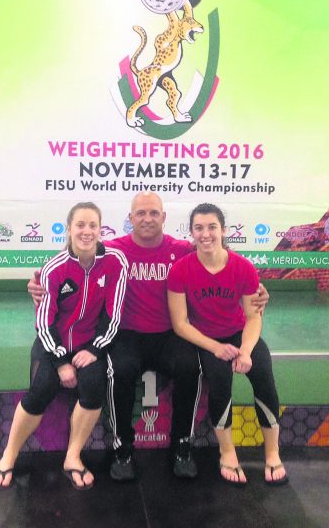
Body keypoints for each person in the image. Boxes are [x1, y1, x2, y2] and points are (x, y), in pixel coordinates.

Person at [29, 192, 269, 481]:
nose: (147, 218)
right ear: (130, 219)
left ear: (164, 218)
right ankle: (122, 448)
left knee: (190, 367)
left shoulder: (182, 250)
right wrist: (37, 283)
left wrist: (260, 289)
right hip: (127, 334)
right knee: (120, 370)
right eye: (140, 213)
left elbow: (221, 261)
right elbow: (73, 257)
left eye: (154, 213)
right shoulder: (113, 250)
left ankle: (182, 445)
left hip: (170, 333)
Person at [0, 202, 127, 490]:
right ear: (69, 229)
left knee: (92, 389)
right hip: (54, 344)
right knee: (41, 389)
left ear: (101, 229)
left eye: (93, 225)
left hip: (90, 345)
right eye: (80, 225)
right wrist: (62, 361)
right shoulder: (54, 268)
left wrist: (94, 350)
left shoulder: (116, 262)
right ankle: (9, 455)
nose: (86, 231)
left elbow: (113, 316)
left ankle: (73, 457)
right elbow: (43, 323)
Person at [167, 203, 287, 486]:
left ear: (223, 230)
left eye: (211, 227)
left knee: (263, 373)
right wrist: (214, 347)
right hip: (206, 339)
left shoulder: (243, 267)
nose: (205, 234)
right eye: (199, 228)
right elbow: (180, 324)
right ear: (191, 232)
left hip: (238, 334)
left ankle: (272, 452)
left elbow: (253, 317)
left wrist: (245, 350)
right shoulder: (181, 270)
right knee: (219, 378)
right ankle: (227, 452)